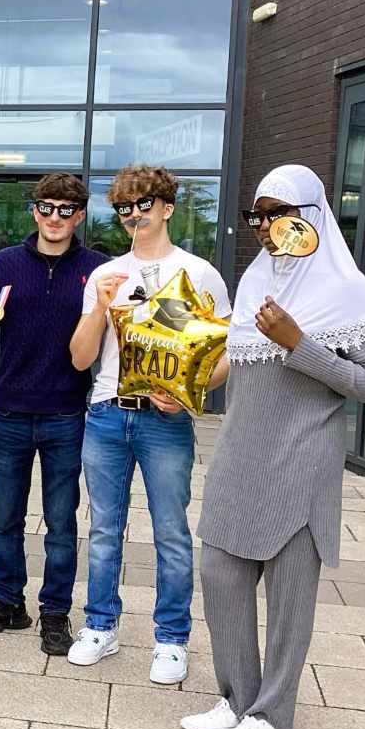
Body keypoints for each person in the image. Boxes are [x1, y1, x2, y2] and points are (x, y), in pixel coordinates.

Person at [181, 165, 365, 729]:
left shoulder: (345, 291)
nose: (268, 227)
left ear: (313, 215)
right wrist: (189, 390)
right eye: (259, 216)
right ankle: (238, 697)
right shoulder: (253, 281)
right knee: (221, 573)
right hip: (241, 454)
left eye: (280, 213)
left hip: (303, 458)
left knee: (290, 597)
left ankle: (274, 718)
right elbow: (241, 371)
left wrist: (300, 343)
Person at [67, 164, 231, 683]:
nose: (134, 216)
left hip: (165, 421)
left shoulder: (199, 273)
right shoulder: (104, 274)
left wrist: (189, 394)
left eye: (144, 205)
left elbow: (225, 350)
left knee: (171, 532)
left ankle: (171, 638)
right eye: (124, 209)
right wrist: (99, 306)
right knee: (104, 530)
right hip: (107, 413)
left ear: (167, 208)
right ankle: (100, 625)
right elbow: (78, 358)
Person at [0, 174, 109, 654]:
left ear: (80, 216)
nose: (54, 218)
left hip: (66, 413)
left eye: (66, 210)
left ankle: (55, 613)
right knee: (7, 518)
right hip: (10, 412)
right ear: (35, 211)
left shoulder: (98, 270)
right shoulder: (4, 263)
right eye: (46, 207)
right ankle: (8, 602)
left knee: (61, 523)